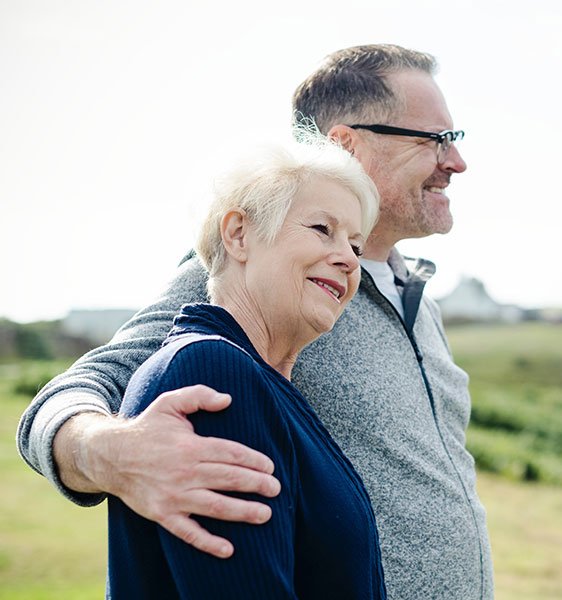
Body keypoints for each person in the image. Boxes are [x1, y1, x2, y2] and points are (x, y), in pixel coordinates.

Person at [18, 44, 494, 599]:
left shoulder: (419, 299)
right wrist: (109, 453)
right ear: (345, 144)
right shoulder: (257, 272)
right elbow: (82, 388)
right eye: (434, 139)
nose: (454, 162)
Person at [107, 137, 385, 599]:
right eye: (322, 228)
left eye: (355, 245)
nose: (349, 259)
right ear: (238, 234)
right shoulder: (213, 372)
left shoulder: (267, 387)